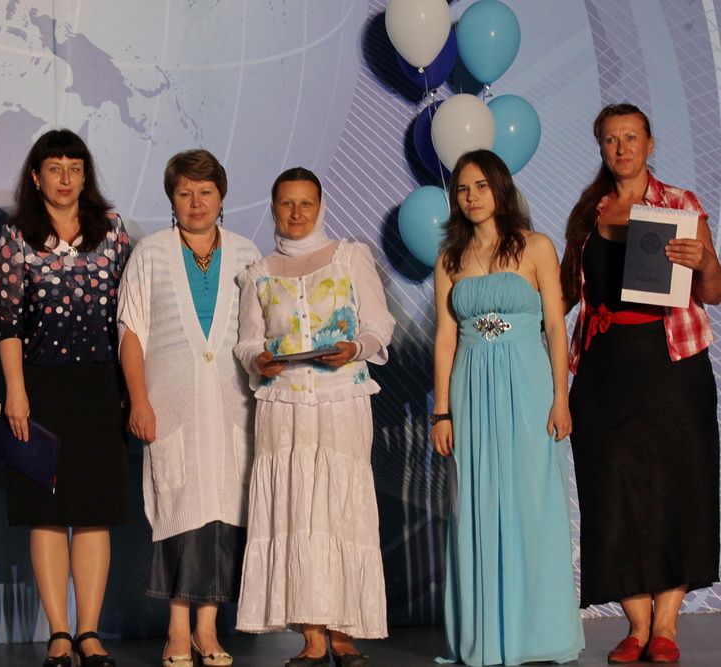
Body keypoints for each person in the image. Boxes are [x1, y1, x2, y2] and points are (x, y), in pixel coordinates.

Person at [563, 103, 720, 664]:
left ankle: (667, 626)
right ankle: (635, 625)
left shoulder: (680, 204)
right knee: (613, 493)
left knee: (678, 488)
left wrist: (704, 261)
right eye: (611, 139)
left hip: (671, 367)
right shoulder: (589, 212)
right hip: (603, 372)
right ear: (601, 148)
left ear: (650, 145)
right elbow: (565, 292)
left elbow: (713, 290)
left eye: (632, 137)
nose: (622, 147)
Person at [233, 167, 394, 667]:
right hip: (284, 406)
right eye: (287, 203)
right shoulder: (259, 273)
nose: (297, 212)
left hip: (341, 399)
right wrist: (259, 360)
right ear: (274, 207)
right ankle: (312, 635)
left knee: (340, 507)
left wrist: (356, 348)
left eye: (306, 203)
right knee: (295, 508)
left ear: (320, 206)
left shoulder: (350, 257)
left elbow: (379, 324)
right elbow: (247, 341)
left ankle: (344, 631)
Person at [430, 149, 584, 666]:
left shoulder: (536, 246)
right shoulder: (449, 259)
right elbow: (445, 338)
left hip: (528, 385)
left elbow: (556, 326)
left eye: (480, 186)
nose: (471, 197)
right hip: (471, 388)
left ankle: (538, 634)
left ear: (500, 188)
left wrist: (561, 397)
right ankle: (487, 636)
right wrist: (442, 411)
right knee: (476, 503)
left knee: (532, 503)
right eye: (462, 188)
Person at [0, 129, 131, 667]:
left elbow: (130, 316)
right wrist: (16, 392)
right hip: (39, 387)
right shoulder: (15, 237)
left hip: (100, 385)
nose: (66, 178)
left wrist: (129, 388)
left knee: (94, 512)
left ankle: (89, 632)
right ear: (36, 177)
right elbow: (7, 322)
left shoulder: (112, 231)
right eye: (55, 168)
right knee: (46, 513)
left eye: (75, 167)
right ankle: (58, 632)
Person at [118, 149, 260, 667]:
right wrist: (139, 400)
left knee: (224, 514)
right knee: (178, 513)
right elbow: (130, 332)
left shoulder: (246, 254)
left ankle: (208, 628)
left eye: (205, 192)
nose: (196, 202)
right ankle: (177, 629)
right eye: (185, 193)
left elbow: (261, 330)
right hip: (171, 405)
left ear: (221, 197)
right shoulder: (151, 253)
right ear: (171, 199)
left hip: (232, 405)